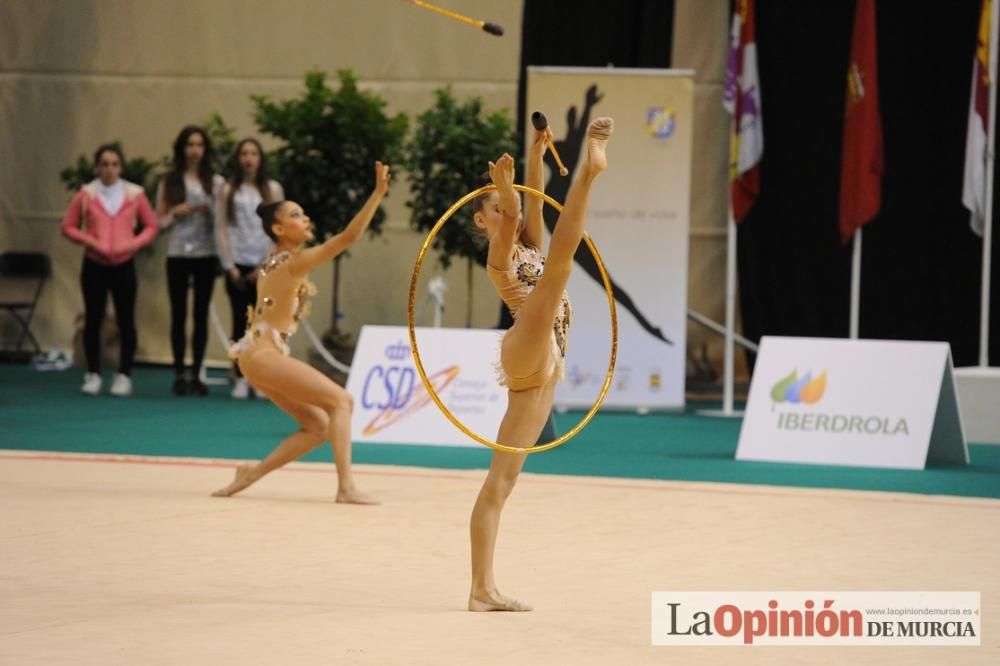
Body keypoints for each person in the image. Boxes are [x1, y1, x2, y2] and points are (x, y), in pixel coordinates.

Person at [467, 117, 613, 612]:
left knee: (501, 483)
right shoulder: (499, 253)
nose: (503, 209)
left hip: (546, 365)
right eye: (492, 207)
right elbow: (512, 216)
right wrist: (505, 193)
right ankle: (591, 171)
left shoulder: (526, 237)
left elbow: (528, 205)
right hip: (525, 344)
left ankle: (481, 590)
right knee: (559, 269)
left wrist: (534, 152)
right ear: (481, 221)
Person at [211, 161, 391, 504]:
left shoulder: (274, 261)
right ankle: (346, 487)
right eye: (296, 215)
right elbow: (348, 238)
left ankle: (251, 473)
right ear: (279, 230)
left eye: (303, 213)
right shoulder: (291, 262)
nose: (305, 219)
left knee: (319, 426)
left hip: (257, 357)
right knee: (342, 400)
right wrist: (377, 194)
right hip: (262, 356)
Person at [61, 144, 159, 396]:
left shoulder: (135, 194)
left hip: (124, 264)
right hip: (95, 263)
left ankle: (124, 375)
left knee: (126, 319)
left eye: (114, 164)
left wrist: (133, 244)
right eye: (104, 164)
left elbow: (151, 225)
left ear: (121, 167)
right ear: (97, 167)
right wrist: (90, 240)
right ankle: (93, 373)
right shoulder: (87, 194)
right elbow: (68, 226)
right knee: (93, 318)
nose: (109, 169)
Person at [156, 125, 224, 396]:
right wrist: (174, 212)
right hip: (178, 253)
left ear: (205, 150)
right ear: (181, 149)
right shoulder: (169, 181)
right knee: (178, 313)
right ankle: (178, 372)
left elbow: (224, 220)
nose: (194, 150)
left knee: (200, 314)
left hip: (206, 253)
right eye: (190, 145)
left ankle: (197, 372)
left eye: (199, 145)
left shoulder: (217, 183)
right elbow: (157, 221)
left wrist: (212, 212)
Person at [215, 138, 284, 399]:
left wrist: (266, 264)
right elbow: (221, 227)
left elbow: (280, 232)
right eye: (244, 153)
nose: (249, 158)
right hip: (237, 263)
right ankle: (240, 375)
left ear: (260, 158)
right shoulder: (228, 189)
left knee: (263, 323)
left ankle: (263, 378)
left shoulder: (272, 190)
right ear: (238, 158)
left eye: (253, 153)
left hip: (264, 265)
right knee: (239, 323)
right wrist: (229, 265)